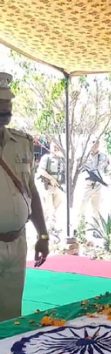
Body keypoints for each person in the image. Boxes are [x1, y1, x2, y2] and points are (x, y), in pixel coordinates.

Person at [0, 72, 49, 321]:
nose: (5, 108)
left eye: (8, 102)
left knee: (10, 318)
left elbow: (31, 192)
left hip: (17, 243)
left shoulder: (21, 143)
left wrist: (43, 234)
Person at [36, 142, 65, 229]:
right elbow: (40, 170)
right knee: (50, 208)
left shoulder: (62, 159)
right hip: (47, 186)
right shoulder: (46, 158)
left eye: (57, 146)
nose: (56, 148)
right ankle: (50, 228)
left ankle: (42, 227)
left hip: (58, 187)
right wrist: (51, 179)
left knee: (52, 208)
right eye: (54, 146)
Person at [78, 139, 109, 222]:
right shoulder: (84, 156)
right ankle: (80, 225)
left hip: (98, 186)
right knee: (82, 205)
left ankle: (96, 227)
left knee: (97, 208)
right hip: (86, 185)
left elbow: (107, 170)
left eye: (97, 142)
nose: (95, 144)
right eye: (93, 142)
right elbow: (78, 170)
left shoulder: (104, 156)